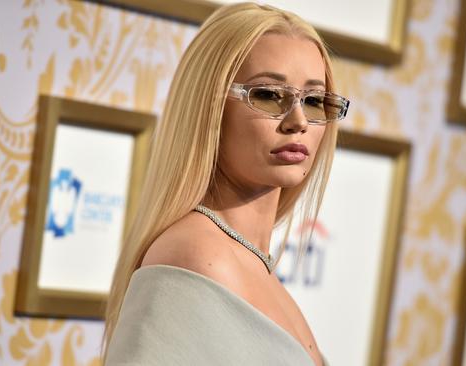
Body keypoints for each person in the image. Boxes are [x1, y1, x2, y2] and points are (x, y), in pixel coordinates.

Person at [103, 2, 350, 365]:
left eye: (314, 100)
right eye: (268, 95)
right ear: (210, 107)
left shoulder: (251, 265)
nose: (298, 120)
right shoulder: (197, 255)